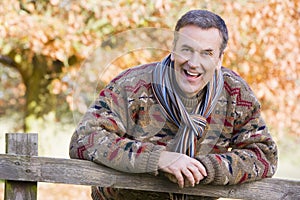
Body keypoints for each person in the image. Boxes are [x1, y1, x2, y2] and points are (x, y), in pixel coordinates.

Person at [69, 9, 278, 200]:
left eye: (207, 53)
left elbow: (264, 154)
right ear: (173, 49)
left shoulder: (235, 93)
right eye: (186, 49)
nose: (194, 63)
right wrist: (158, 158)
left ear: (220, 59)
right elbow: (84, 140)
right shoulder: (132, 86)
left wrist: (204, 168)